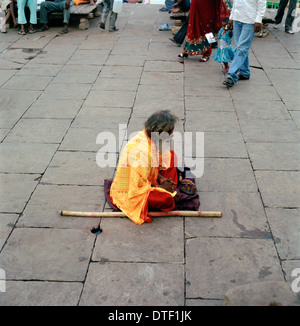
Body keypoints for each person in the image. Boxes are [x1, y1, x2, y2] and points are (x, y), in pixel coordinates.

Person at [110, 110, 195, 225]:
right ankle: (170, 189)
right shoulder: (143, 152)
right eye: (170, 132)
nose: (172, 134)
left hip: (147, 178)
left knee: (170, 156)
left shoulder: (147, 136)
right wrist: (160, 187)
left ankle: (170, 186)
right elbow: (137, 188)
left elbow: (151, 168)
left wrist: (161, 178)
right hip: (132, 192)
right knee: (166, 200)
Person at [223, 0, 266, 87]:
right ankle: (244, 72)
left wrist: (258, 19)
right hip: (237, 18)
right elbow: (236, 2)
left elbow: (262, 3)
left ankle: (231, 75)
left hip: (250, 21)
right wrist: (232, 17)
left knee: (241, 48)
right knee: (240, 48)